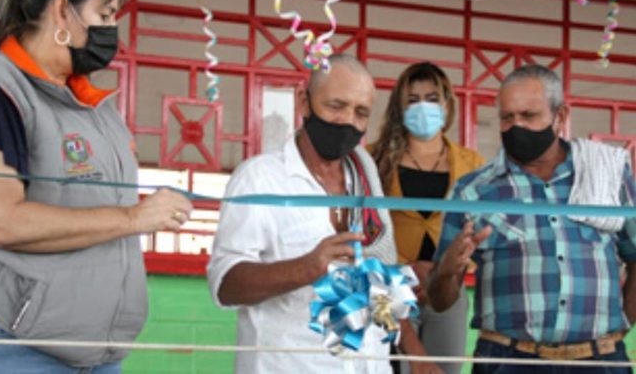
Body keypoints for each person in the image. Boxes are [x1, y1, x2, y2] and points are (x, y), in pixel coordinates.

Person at [0, 0, 192, 373]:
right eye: (105, 15)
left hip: (92, 353)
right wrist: (135, 218)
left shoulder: (94, 106)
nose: (112, 30)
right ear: (62, 11)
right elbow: (2, 221)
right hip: (4, 345)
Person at [208, 54, 435, 374]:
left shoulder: (365, 175)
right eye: (336, 106)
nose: (347, 121)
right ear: (304, 102)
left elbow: (378, 274)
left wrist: (416, 354)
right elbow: (225, 285)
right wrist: (305, 268)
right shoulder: (260, 178)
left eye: (360, 112)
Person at [428, 64, 636, 374]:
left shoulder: (605, 175)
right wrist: (447, 271)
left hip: (601, 361)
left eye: (529, 116)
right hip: (509, 361)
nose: (516, 127)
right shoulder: (474, 191)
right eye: (507, 117)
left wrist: (621, 327)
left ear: (560, 116)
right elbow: (439, 300)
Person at [369, 62, 484, 374]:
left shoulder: (473, 164)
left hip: (448, 291)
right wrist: (406, 270)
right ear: (399, 107)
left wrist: (445, 270)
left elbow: (481, 229)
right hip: (386, 290)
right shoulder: (374, 158)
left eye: (432, 99)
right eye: (413, 100)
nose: (423, 107)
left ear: (447, 105)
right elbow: (365, 229)